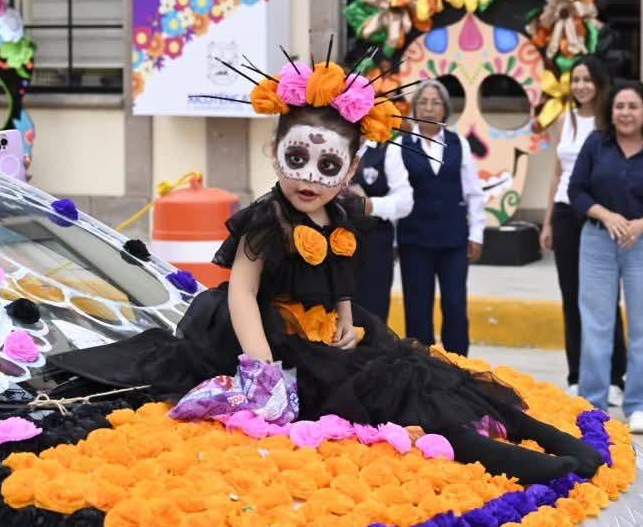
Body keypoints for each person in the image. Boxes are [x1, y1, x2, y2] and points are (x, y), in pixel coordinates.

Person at [49, 57, 603, 483]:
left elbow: (338, 273)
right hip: (266, 336)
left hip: (325, 327)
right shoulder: (266, 219)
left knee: (420, 368)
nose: (310, 177)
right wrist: (262, 369)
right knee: (389, 395)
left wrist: (345, 316)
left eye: (328, 164)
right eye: (297, 159)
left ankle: (535, 430)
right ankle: (496, 454)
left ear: (351, 167)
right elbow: (241, 293)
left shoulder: (341, 215)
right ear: (274, 151)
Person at [568, 80, 643, 435]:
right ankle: (593, 405)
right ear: (611, 110)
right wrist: (606, 216)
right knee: (596, 326)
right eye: (619, 106)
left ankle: (642, 405)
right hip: (597, 242)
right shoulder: (596, 144)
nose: (625, 113)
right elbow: (576, 191)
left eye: (633, 106)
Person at [539, 55, 628, 403]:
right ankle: (577, 375)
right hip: (566, 213)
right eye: (575, 80)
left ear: (600, 82)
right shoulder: (566, 120)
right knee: (571, 295)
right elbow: (557, 173)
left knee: (605, 297)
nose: (580, 86)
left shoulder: (610, 123)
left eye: (587, 79)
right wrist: (547, 221)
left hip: (600, 215)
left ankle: (615, 377)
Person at [397, 80, 486, 356]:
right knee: (417, 307)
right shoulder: (401, 144)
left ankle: (458, 366)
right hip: (414, 240)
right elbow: (396, 193)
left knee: (455, 305)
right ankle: (421, 368)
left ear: (445, 108)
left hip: (453, 239)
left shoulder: (458, 143)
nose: (429, 108)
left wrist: (477, 234)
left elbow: (473, 192)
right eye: (423, 102)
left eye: (435, 102)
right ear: (414, 107)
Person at [350, 139, 412, 323]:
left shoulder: (387, 150)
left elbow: (405, 202)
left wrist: (371, 205)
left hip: (374, 244)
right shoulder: (331, 142)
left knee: (372, 313)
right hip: (329, 242)